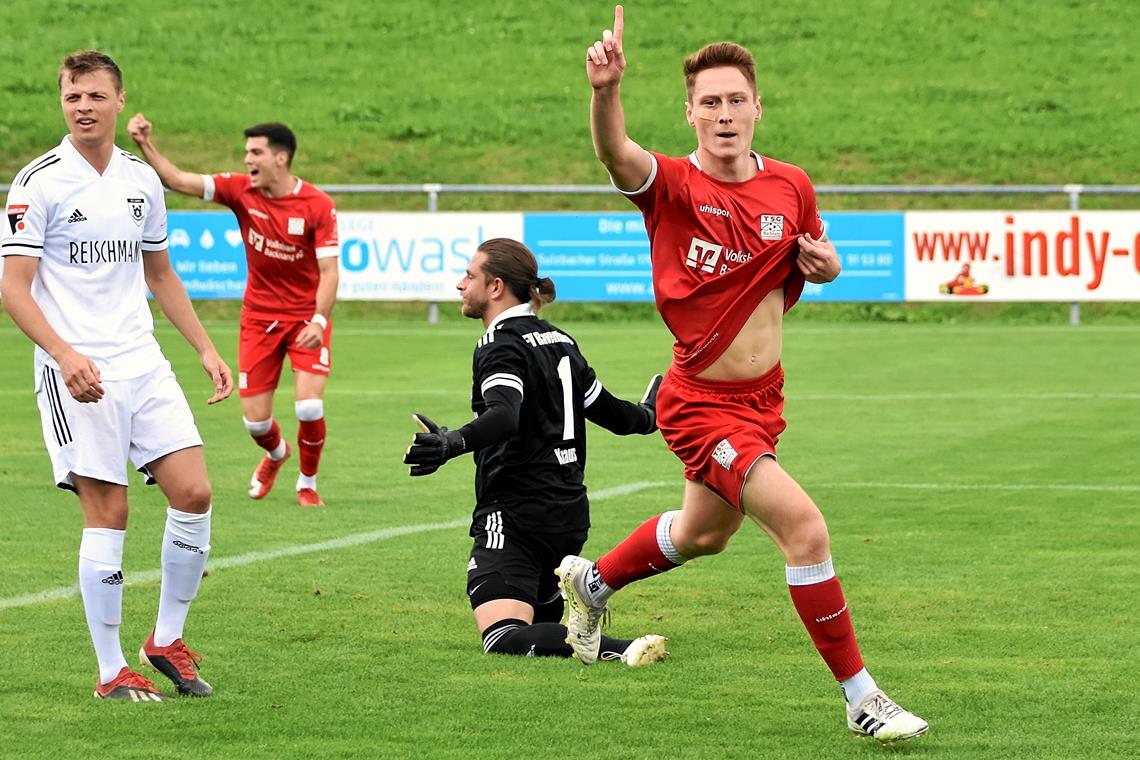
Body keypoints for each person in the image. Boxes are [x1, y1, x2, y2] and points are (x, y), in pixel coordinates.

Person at [555, 6, 929, 743]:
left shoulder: (791, 185)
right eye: (709, 103)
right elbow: (616, 153)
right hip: (700, 403)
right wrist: (604, 91)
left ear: (758, 107)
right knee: (805, 529)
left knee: (703, 535)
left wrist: (829, 266)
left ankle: (590, 582)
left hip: (763, 401)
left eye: (735, 101)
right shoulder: (670, 186)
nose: (723, 115)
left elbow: (819, 255)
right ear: (689, 113)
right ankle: (861, 698)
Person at [1, 50, 232, 701]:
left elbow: (160, 273)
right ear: (62, 102)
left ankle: (164, 639)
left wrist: (205, 349)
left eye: (95, 96)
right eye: (73, 96)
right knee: (111, 512)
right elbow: (13, 290)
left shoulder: (140, 180)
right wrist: (65, 354)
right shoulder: (37, 183)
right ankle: (109, 673)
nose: (83, 107)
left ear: (119, 101)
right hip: (76, 369)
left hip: (142, 361)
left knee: (194, 493)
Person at [402, 237, 667, 666]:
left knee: (503, 637)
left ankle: (620, 649)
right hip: (567, 515)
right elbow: (615, 416)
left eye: (469, 276)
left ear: (495, 287)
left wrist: (452, 443)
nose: (459, 284)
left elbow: (505, 415)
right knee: (539, 625)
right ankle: (576, 604)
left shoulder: (500, 344)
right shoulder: (559, 339)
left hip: (515, 512)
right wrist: (650, 413)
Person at [126, 115, 339, 508]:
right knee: (255, 422)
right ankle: (277, 454)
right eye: (246, 153)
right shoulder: (240, 191)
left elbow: (330, 272)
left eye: (255, 153)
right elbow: (177, 179)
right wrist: (145, 143)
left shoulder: (317, 205)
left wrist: (319, 320)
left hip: (305, 320)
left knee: (309, 405)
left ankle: (307, 483)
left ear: (281, 158)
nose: (248, 161)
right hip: (259, 319)